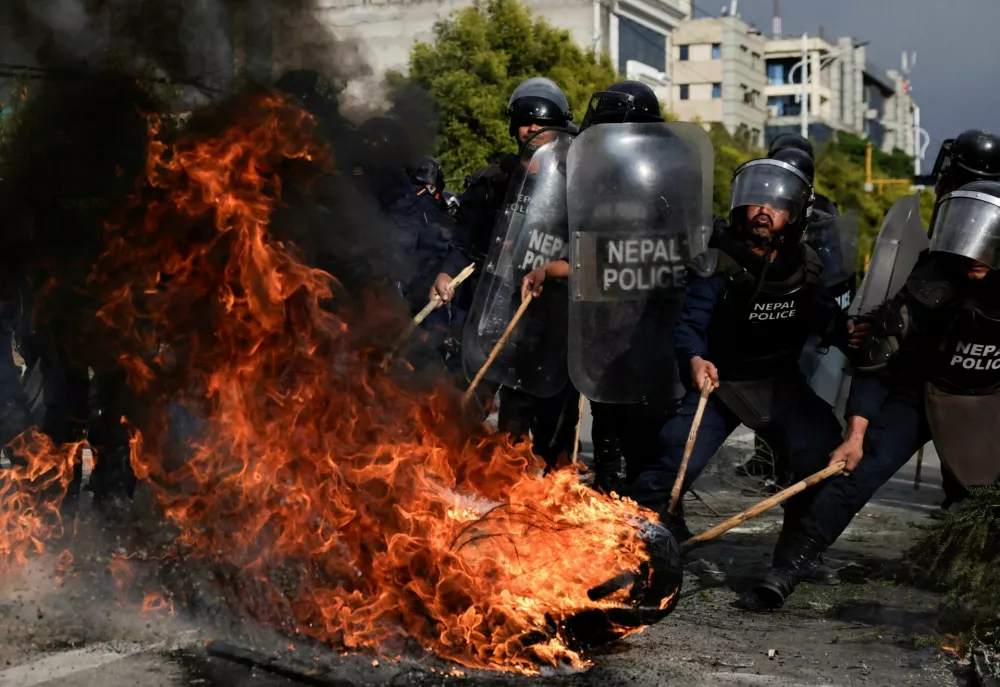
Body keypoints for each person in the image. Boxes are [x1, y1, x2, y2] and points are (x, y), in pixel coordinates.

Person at [740, 179, 1000, 610]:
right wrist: (855, 434)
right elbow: (880, 362)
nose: (974, 255)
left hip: (989, 400)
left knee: (987, 503)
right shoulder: (931, 280)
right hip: (921, 393)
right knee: (851, 476)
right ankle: (788, 567)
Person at [625, 149, 868, 543]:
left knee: (820, 453)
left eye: (777, 205)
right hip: (721, 385)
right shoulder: (717, 264)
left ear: (795, 214)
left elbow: (825, 316)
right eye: (758, 201)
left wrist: (850, 331)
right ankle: (623, 548)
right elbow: (689, 325)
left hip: (779, 383)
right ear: (741, 205)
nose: (765, 211)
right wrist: (695, 359)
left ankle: (792, 558)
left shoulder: (805, 266)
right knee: (670, 463)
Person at [521, 80, 673, 492]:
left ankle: (651, 518)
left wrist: (553, 270)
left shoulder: (648, 186)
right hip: (607, 323)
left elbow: (616, 254)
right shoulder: (610, 182)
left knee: (640, 435)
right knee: (608, 428)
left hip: (643, 324)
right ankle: (612, 504)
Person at [440, 77, 579, 466]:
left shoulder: (577, 182)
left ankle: (533, 486)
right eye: (524, 120)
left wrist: (553, 270)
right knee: (468, 398)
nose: (532, 128)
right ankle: (455, 479)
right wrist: (446, 273)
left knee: (530, 414)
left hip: (545, 313)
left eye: (543, 122)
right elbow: (462, 240)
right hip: (491, 306)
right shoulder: (493, 180)